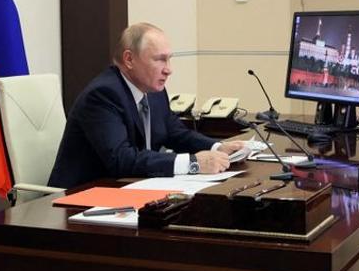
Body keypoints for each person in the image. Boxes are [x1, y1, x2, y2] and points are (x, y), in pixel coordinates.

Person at [48, 23, 246, 189]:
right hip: (79, 200)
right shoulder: (103, 95)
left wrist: (218, 147)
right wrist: (193, 163)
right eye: (160, 60)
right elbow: (121, 159)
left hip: (131, 190)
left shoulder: (153, 91)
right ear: (129, 59)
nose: (168, 70)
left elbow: (176, 133)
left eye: (169, 59)